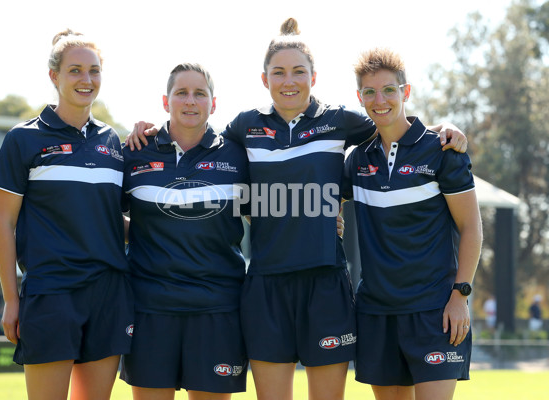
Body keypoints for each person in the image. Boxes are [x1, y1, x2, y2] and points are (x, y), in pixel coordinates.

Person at [127, 18, 467, 400]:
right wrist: (151, 129)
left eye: (298, 72)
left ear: (314, 77)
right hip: (266, 287)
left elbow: (391, 121)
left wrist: (441, 128)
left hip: (326, 285)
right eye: (279, 72)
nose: (289, 81)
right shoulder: (244, 127)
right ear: (264, 79)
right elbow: (193, 129)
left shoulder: (339, 120)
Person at [0, 29, 133, 400]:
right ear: (55, 76)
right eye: (76, 70)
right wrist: (10, 299)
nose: (87, 80)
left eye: (94, 71)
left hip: (108, 293)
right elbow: (4, 225)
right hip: (51, 292)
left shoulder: (112, 142)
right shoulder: (23, 139)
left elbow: (111, 220)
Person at [343, 47, 483, 400]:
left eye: (389, 90)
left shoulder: (442, 150)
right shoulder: (356, 161)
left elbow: (471, 228)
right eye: (370, 92)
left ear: (405, 92)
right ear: (360, 98)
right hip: (376, 313)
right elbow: (319, 196)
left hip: (435, 313)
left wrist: (460, 295)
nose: (380, 99)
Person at [119, 63, 250, 400]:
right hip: (150, 308)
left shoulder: (239, 156)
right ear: (166, 101)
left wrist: (326, 219)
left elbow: (267, 218)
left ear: (213, 103)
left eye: (199, 93)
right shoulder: (134, 153)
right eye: (182, 93)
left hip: (218, 309)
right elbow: (103, 220)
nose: (190, 101)